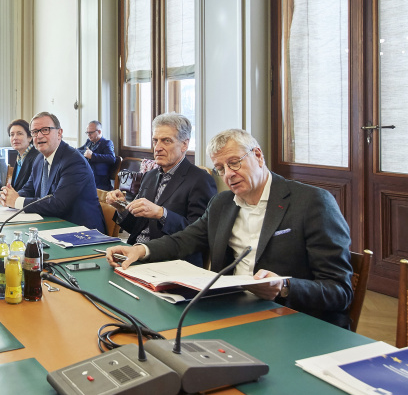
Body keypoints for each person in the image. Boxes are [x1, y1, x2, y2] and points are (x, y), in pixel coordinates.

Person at [106, 129, 354, 327]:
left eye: (234, 163)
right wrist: (140, 251)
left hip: (291, 319)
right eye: (221, 169)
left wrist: (284, 286)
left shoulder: (312, 203)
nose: (228, 175)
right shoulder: (223, 203)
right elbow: (184, 240)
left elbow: (340, 290)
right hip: (229, 310)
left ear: (258, 155)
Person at [105, 113, 216, 265]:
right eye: (155, 141)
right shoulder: (150, 175)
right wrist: (121, 208)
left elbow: (199, 235)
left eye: (166, 141)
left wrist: (161, 213)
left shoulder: (200, 180)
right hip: (134, 253)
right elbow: (137, 227)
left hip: (171, 261)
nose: (157, 148)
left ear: (184, 144)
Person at [0, 112, 105, 232]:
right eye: (34, 132)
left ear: (59, 133)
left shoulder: (73, 160)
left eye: (45, 130)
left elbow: (59, 204)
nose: (39, 136)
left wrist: (17, 201)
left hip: (80, 231)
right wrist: (9, 197)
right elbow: (29, 189)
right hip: (51, 224)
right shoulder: (39, 158)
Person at [0, 119, 39, 198]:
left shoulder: (36, 158)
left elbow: (28, 192)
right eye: (12, 134)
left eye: (19, 134)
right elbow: (14, 189)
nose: (15, 138)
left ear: (30, 137)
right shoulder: (20, 157)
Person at [77, 120, 116, 190]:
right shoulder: (89, 142)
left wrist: (92, 156)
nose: (89, 135)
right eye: (87, 132)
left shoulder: (107, 143)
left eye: (91, 132)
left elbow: (111, 158)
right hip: (86, 178)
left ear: (99, 132)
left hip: (99, 182)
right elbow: (78, 151)